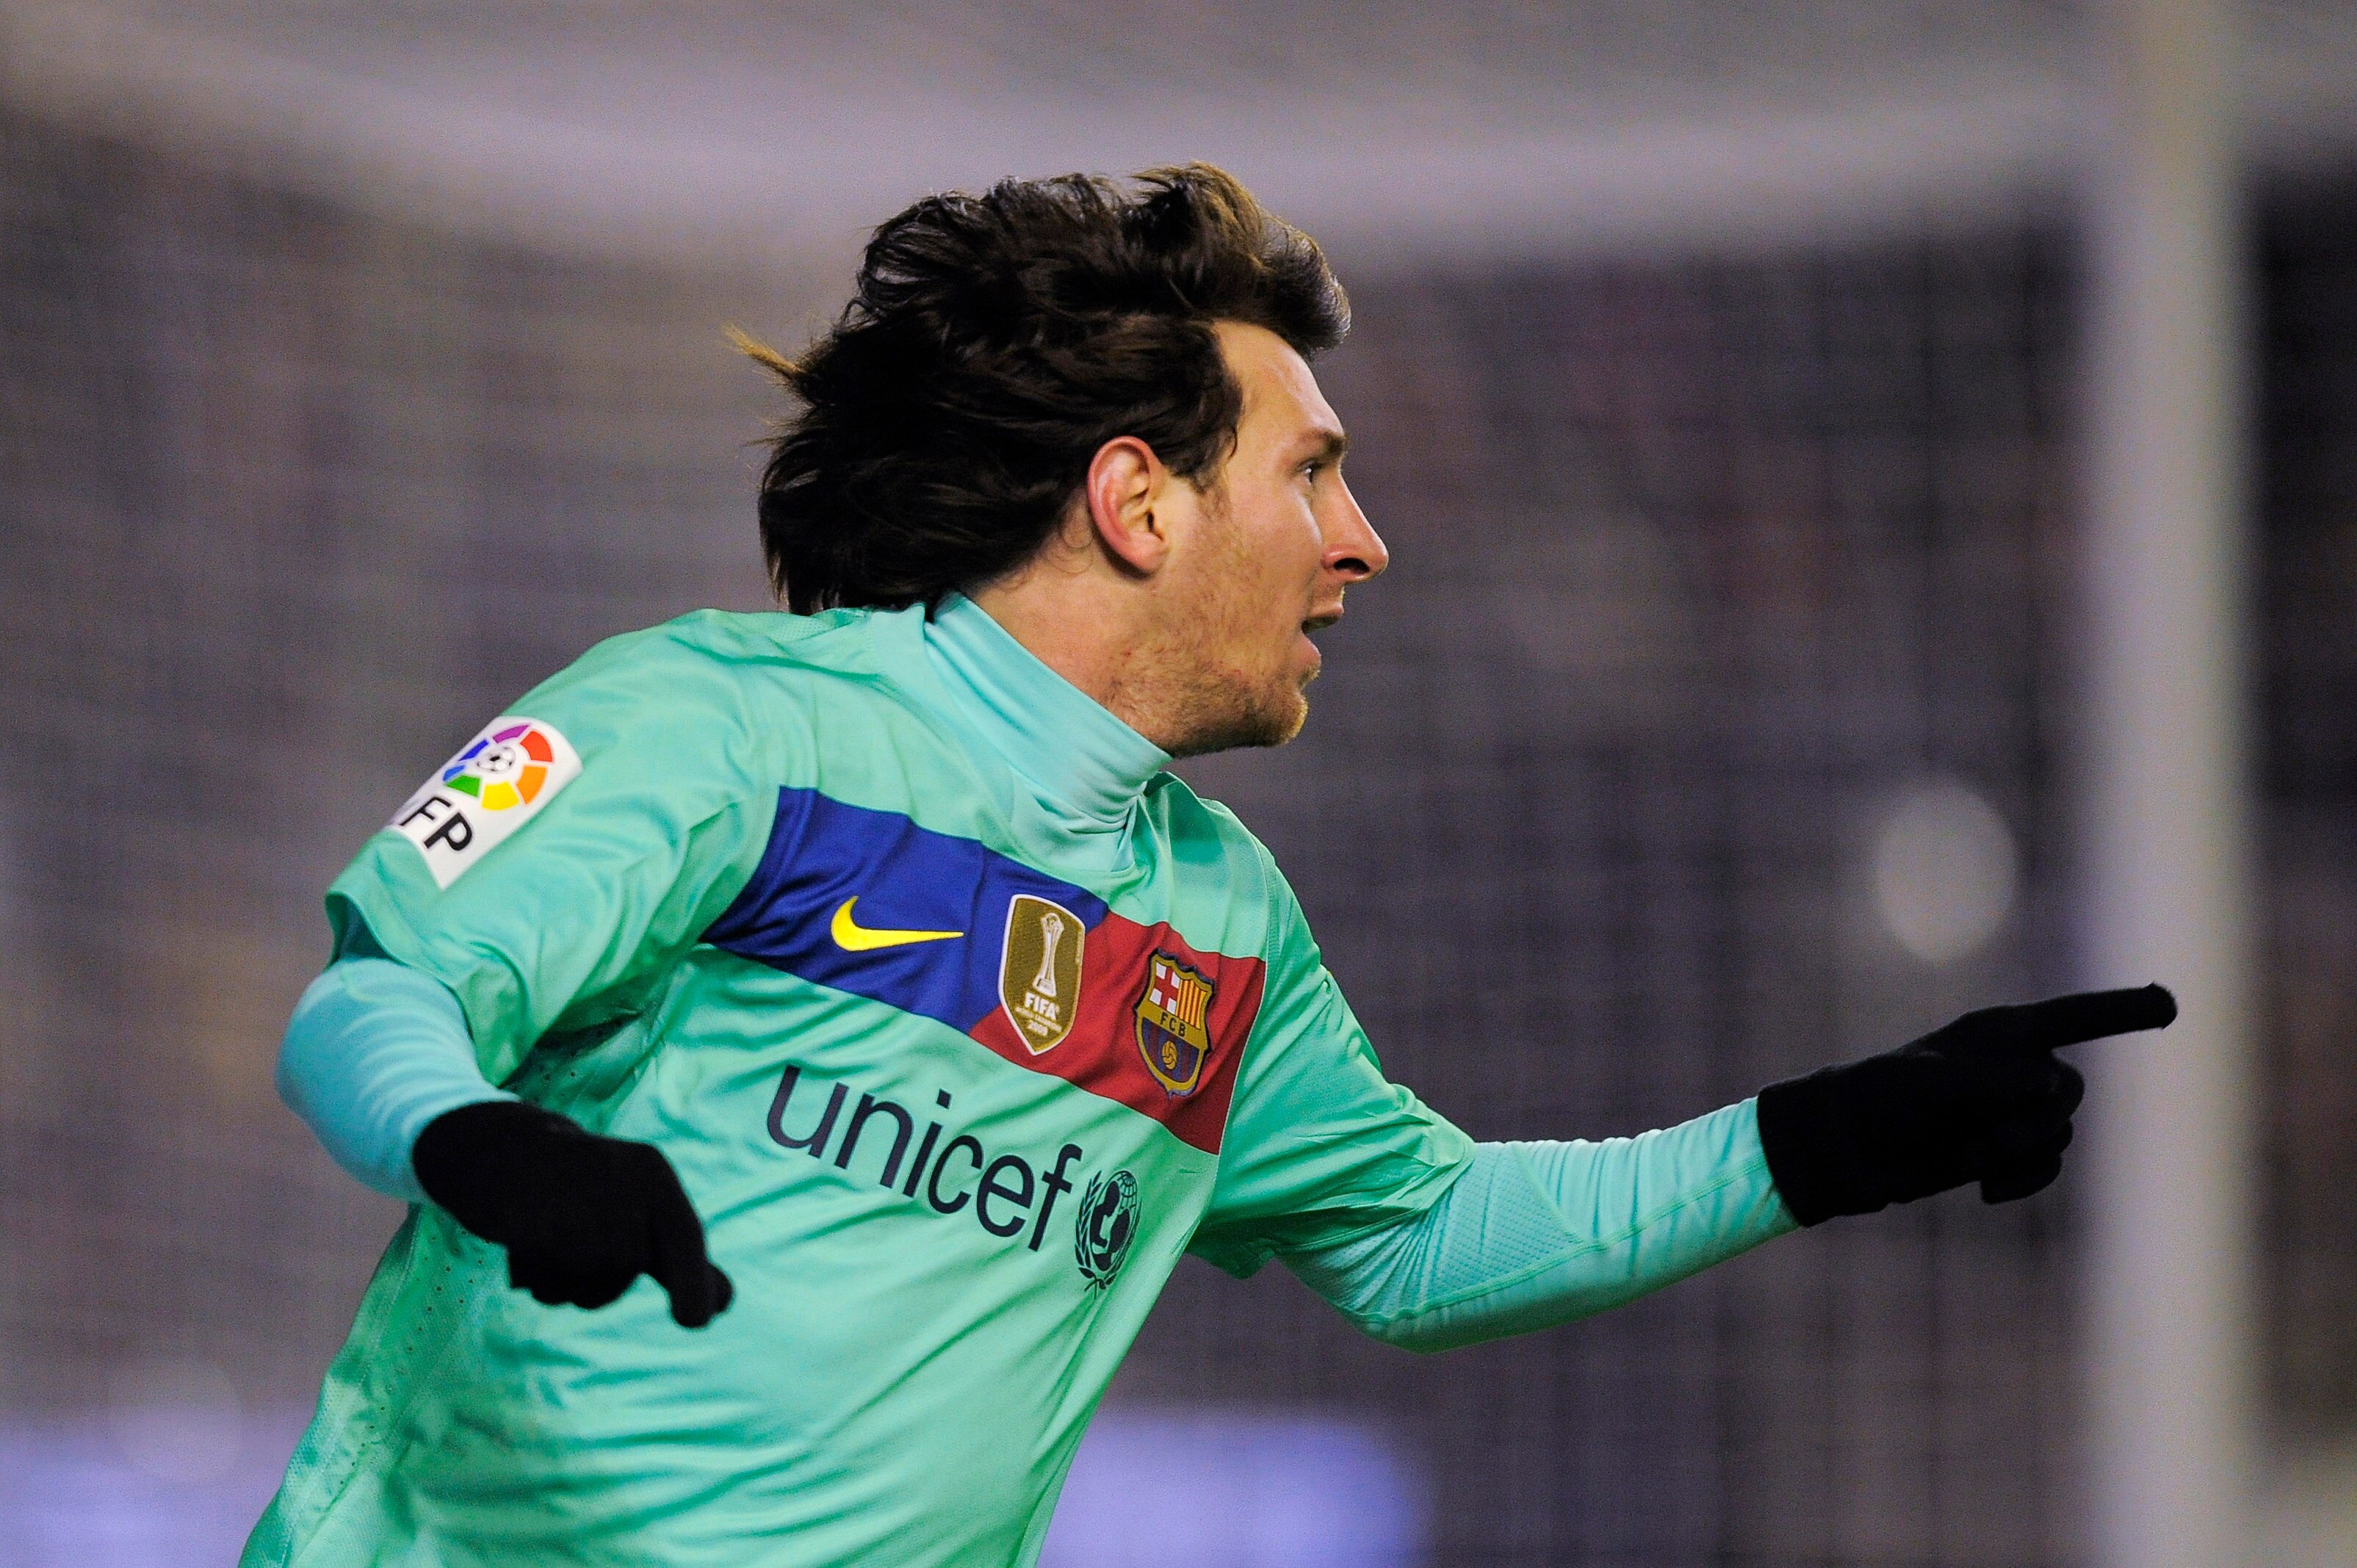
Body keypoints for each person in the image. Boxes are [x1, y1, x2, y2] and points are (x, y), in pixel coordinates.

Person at [245, 165, 2175, 1567]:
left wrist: (1821, 1140)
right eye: (1313, 471)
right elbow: (377, 998)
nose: (1364, 542)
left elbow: (1416, 1237)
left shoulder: (1218, 921)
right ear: (1137, 500)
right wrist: (495, 1149)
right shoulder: (719, 721)